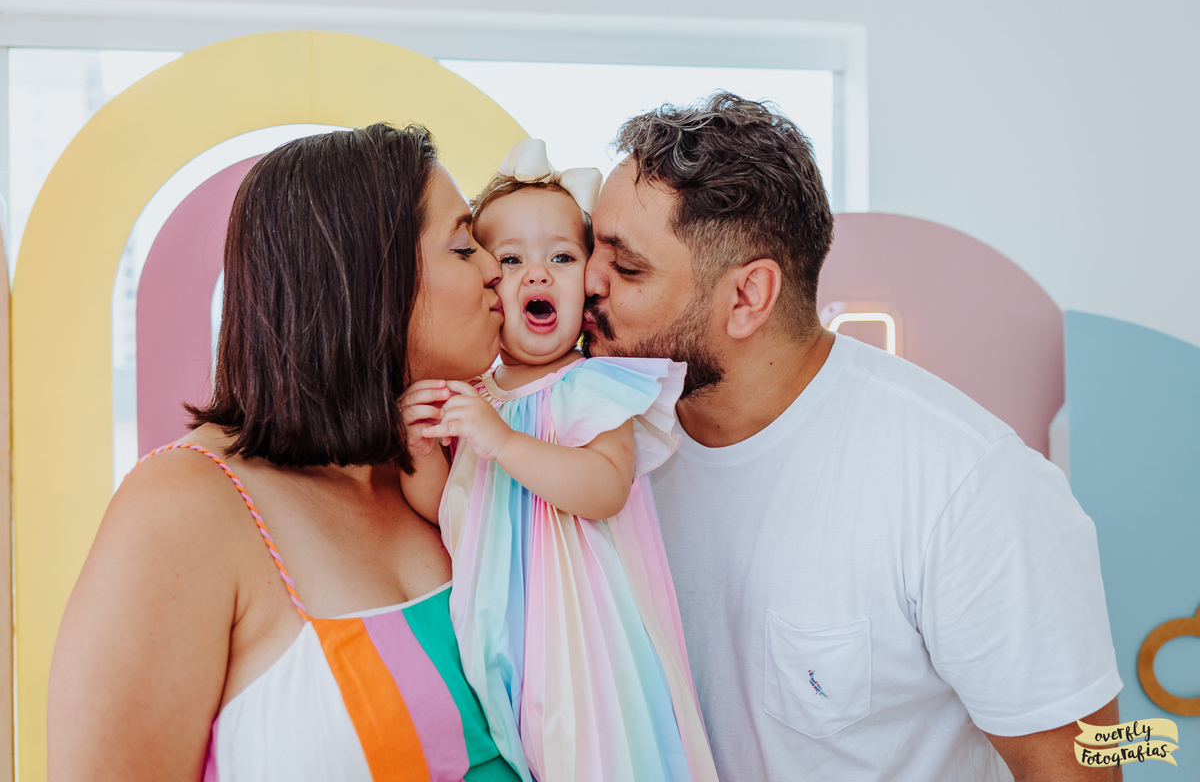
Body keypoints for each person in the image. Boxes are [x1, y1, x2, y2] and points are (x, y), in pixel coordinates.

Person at [581, 93, 1123, 781]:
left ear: (748, 297)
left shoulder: (966, 484)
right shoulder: (596, 452)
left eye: (626, 268)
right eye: (588, 245)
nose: (585, 282)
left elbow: (1076, 770)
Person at [48, 123, 522, 781]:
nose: (498, 269)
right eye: (465, 246)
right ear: (368, 277)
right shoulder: (186, 508)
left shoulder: (458, 470)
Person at [399, 138, 719, 782]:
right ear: (489, 285)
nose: (537, 275)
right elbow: (450, 508)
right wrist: (418, 450)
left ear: (588, 283)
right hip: (501, 631)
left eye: (562, 257)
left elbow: (604, 487)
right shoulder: (476, 398)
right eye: (511, 259)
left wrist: (503, 441)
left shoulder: (593, 386)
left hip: (589, 642)